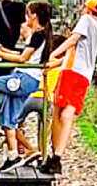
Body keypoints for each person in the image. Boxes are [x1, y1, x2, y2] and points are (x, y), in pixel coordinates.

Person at [0, 1, 53, 172]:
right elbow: (23, 54)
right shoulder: (41, 35)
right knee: (9, 116)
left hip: (23, 78)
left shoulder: (38, 34)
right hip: (27, 78)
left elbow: (22, 59)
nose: (26, 18)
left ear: (33, 15)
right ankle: (12, 155)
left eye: (27, 14)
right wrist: (4, 50)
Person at [39, 0, 97, 175]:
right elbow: (76, 53)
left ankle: (53, 155)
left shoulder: (85, 20)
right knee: (68, 114)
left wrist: (52, 54)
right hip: (84, 76)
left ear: (87, 9)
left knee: (57, 111)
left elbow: (72, 41)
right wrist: (55, 62)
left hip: (71, 73)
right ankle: (57, 157)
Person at [13, 34, 67, 163]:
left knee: (12, 125)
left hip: (33, 96)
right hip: (47, 99)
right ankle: (42, 156)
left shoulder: (47, 59)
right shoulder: (63, 64)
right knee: (43, 130)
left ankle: (31, 149)